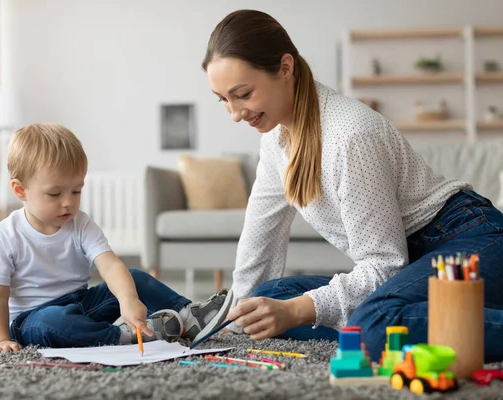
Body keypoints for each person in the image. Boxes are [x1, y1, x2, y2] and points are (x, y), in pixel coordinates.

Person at [202, 9, 503, 362]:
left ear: (285, 68)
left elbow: (385, 265)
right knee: (271, 297)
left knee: (373, 324)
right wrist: (237, 317)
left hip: (467, 242)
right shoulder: (276, 140)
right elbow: (260, 238)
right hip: (411, 264)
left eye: (243, 94)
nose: (236, 113)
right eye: (224, 100)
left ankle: (391, 321)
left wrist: (300, 312)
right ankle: (414, 319)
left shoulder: (350, 136)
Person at [0, 123, 233, 351]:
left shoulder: (80, 223)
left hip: (83, 304)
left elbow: (110, 265)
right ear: (20, 190)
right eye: (55, 194)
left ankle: (190, 318)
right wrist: (0, 339)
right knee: (51, 323)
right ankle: (123, 337)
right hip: (32, 319)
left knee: (133, 277)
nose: (68, 203)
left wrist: (128, 299)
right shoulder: (5, 235)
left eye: (76, 191)